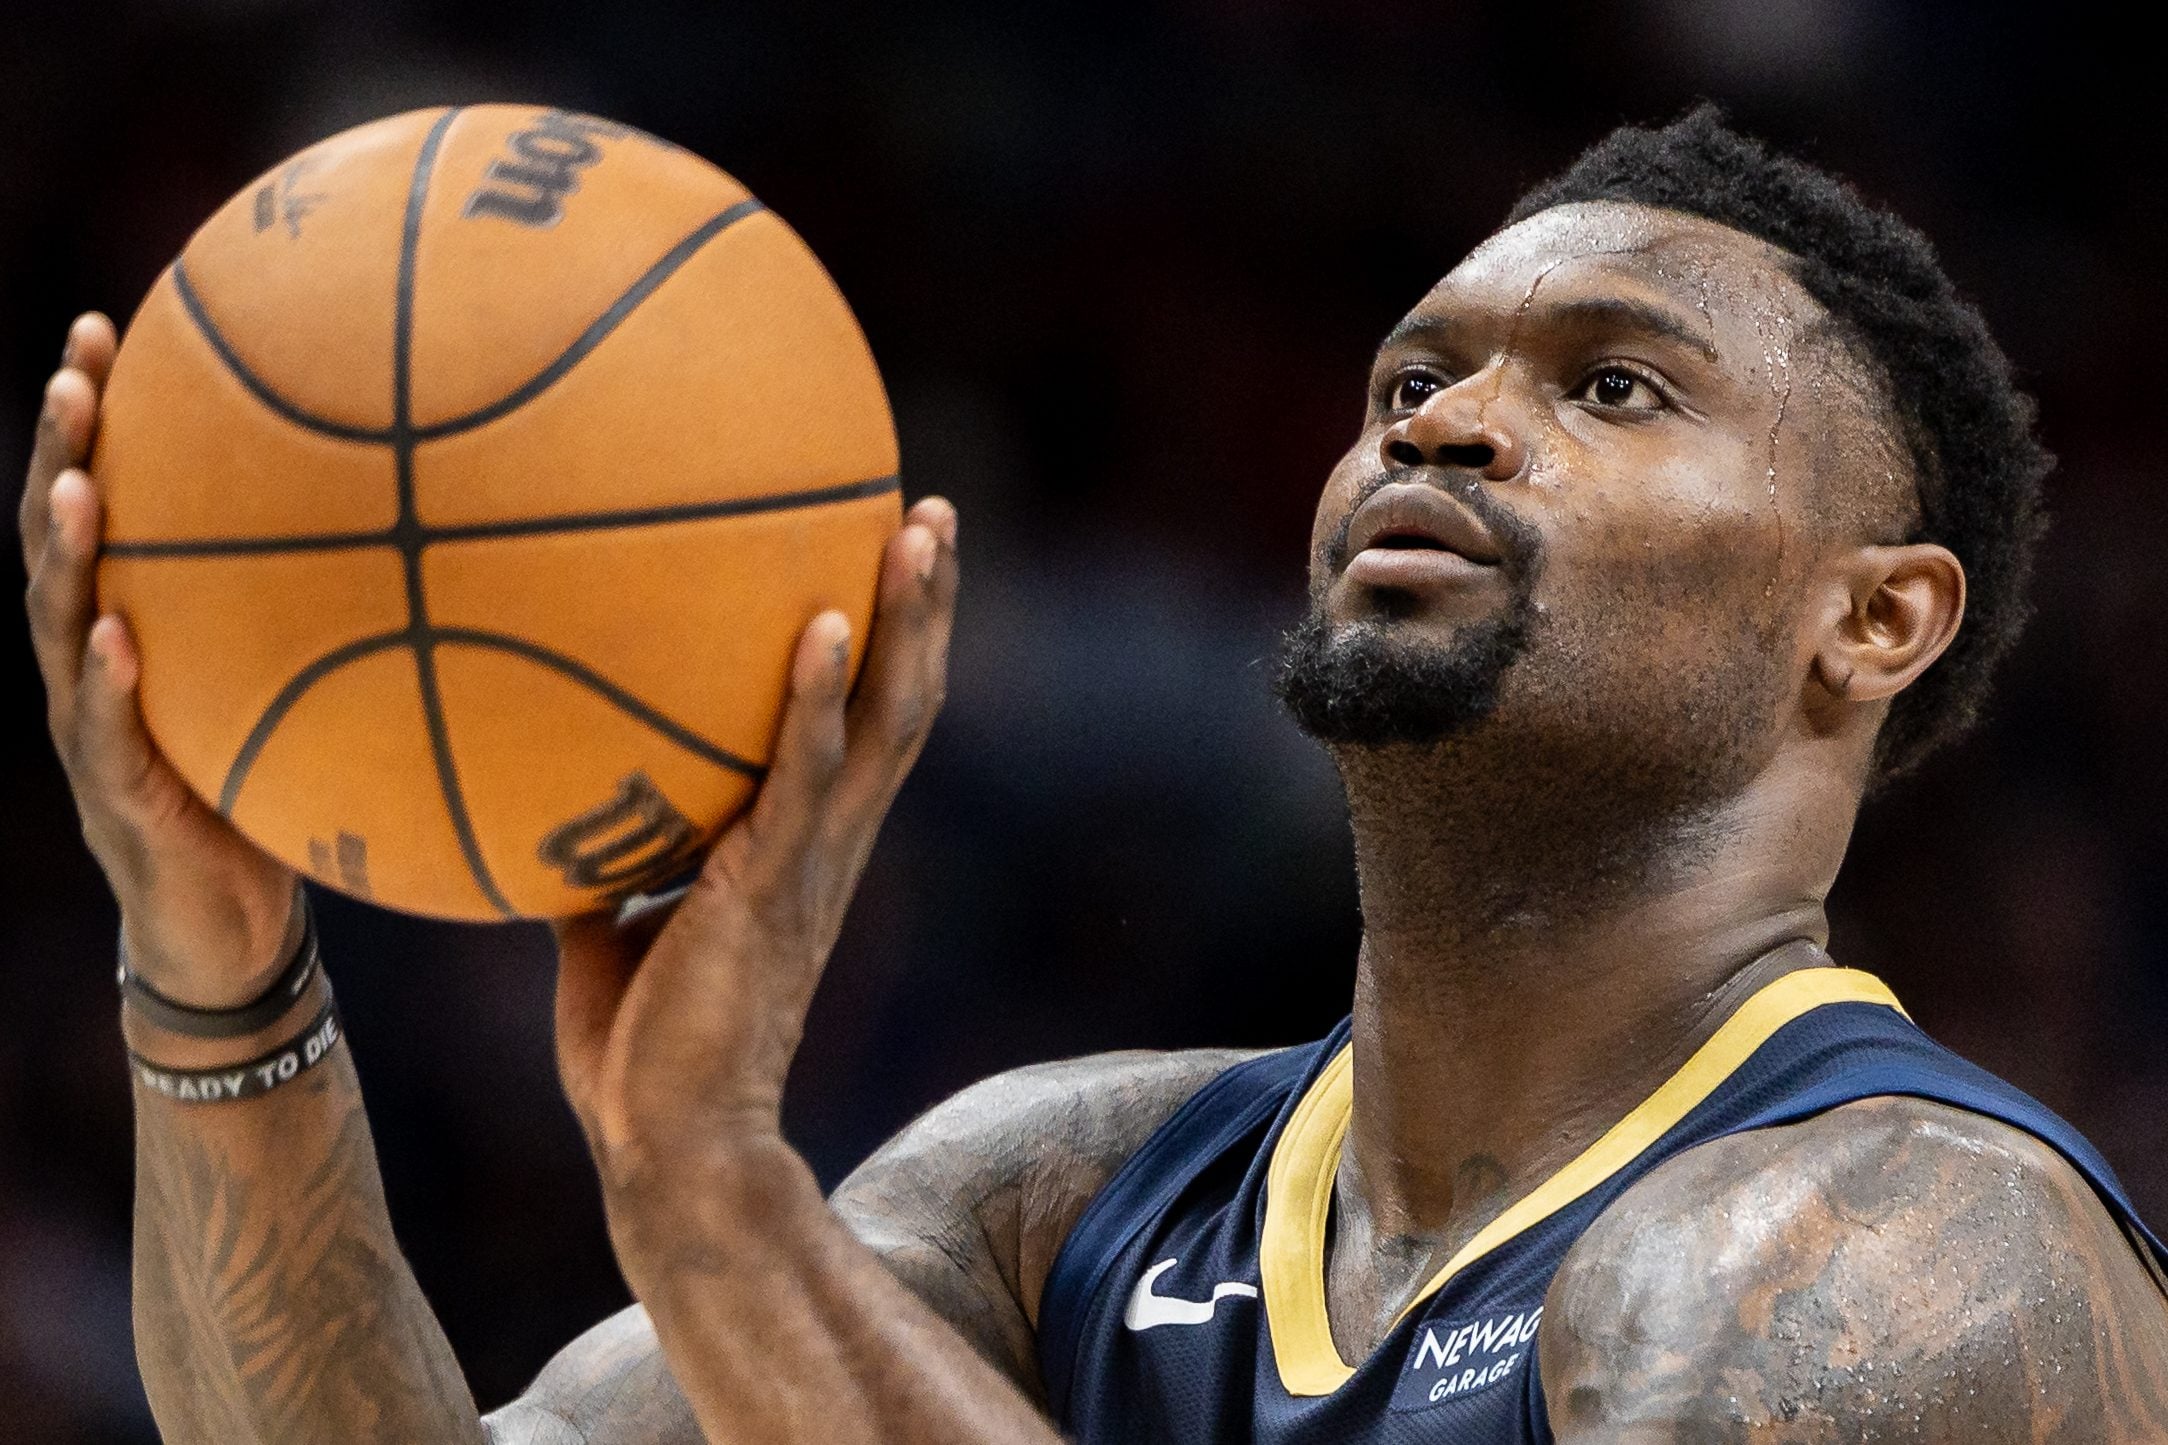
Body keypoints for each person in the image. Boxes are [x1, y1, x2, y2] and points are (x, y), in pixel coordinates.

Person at [24, 105, 2168, 1444]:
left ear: (1872, 619)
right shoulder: (1057, 1189)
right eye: (1408, 378)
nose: (1435, 426)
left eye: (1612, 385)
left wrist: (712, 1197)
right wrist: (218, 980)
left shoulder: (1917, 1261)